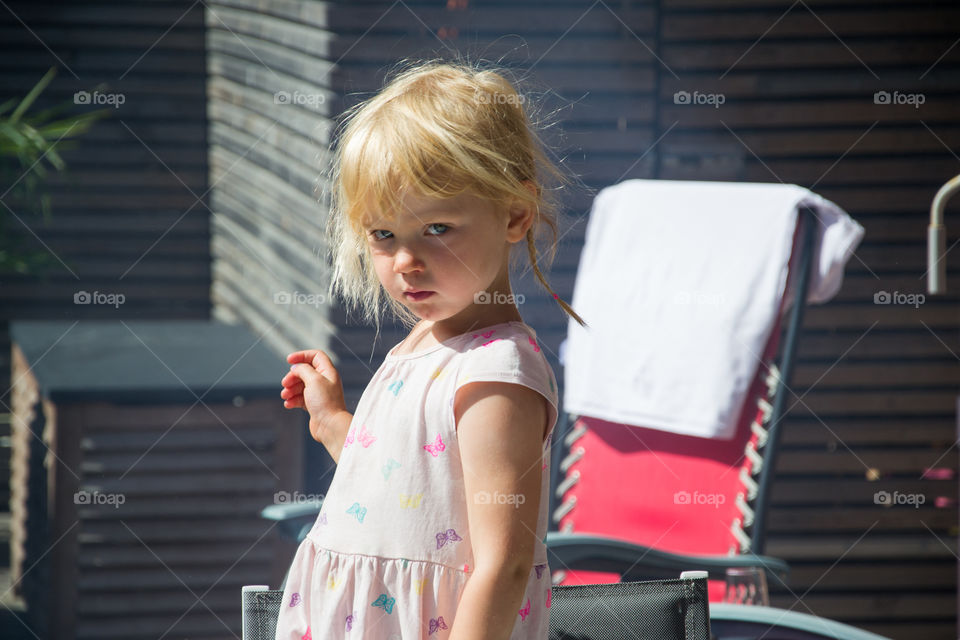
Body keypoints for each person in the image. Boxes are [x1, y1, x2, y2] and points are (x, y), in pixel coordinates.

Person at [275, 59, 587, 640]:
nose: (406, 262)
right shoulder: (424, 340)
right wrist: (334, 424)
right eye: (383, 235)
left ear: (515, 214)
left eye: (438, 228)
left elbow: (504, 563)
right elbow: (410, 490)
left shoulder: (497, 372)